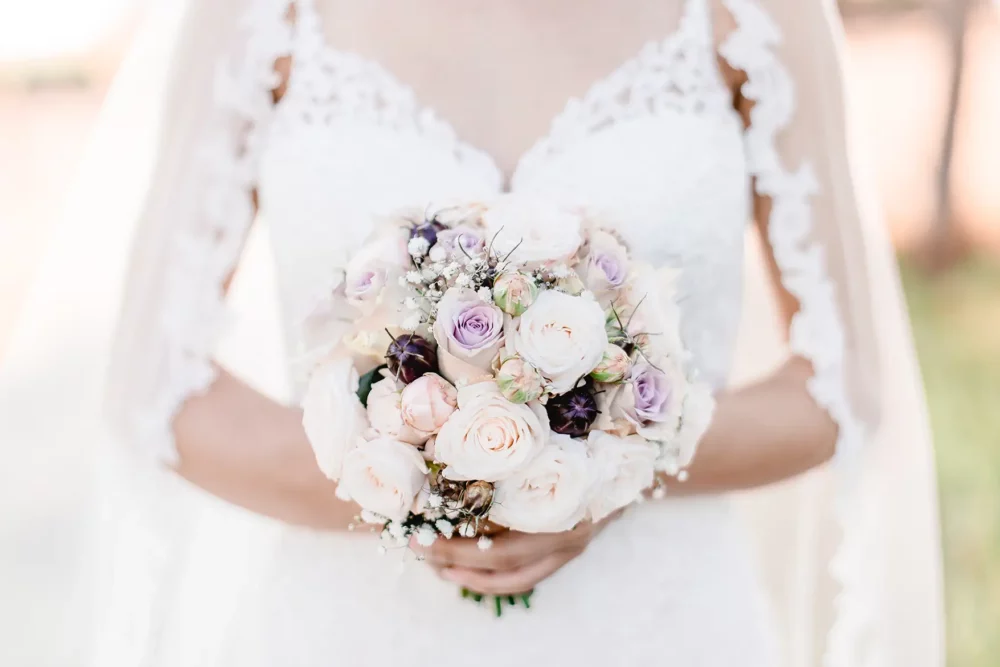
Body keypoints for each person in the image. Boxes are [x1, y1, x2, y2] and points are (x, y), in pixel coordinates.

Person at [0, 0, 945, 665]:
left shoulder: (751, 14)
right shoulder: (261, 15)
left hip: (661, 628)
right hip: (346, 633)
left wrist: (607, 467)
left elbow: (839, 385)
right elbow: (157, 384)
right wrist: (433, 492)